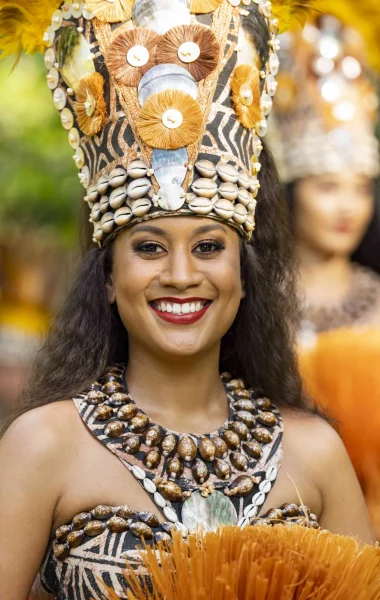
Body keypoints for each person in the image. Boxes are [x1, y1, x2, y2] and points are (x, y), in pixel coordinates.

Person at [0, 1, 374, 599]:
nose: (180, 275)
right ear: (106, 278)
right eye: (149, 248)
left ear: (244, 275)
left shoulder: (315, 453)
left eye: (207, 246)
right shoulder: (43, 445)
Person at [269, 7, 380, 534]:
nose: (347, 207)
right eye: (328, 186)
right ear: (293, 192)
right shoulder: (250, 300)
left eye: (360, 188)